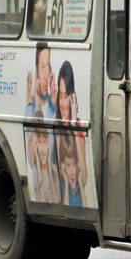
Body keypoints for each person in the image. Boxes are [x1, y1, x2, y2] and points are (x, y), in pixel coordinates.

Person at [55, 60, 87, 193]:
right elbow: (60, 177)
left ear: (72, 97)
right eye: (61, 97)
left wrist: (74, 127)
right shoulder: (56, 127)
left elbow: (83, 179)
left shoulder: (79, 128)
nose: (62, 104)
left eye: (66, 96)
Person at [26, 115, 61, 204]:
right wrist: (38, 163)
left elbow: (56, 202)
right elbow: (41, 203)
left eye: (45, 142)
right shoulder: (34, 172)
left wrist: (49, 168)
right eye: (39, 143)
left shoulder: (54, 169)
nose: (42, 149)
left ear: (49, 145)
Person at [25, 41, 57, 119]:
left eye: (48, 66)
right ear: (37, 73)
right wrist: (37, 107)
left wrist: (56, 106)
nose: (46, 77)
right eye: (42, 67)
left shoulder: (54, 105)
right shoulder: (30, 108)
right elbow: (31, 131)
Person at [57, 133, 83, 207]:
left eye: (73, 164)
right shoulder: (63, 187)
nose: (71, 169)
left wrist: (80, 183)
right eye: (68, 165)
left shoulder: (79, 188)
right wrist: (65, 179)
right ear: (63, 167)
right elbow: (66, 207)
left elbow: (86, 208)